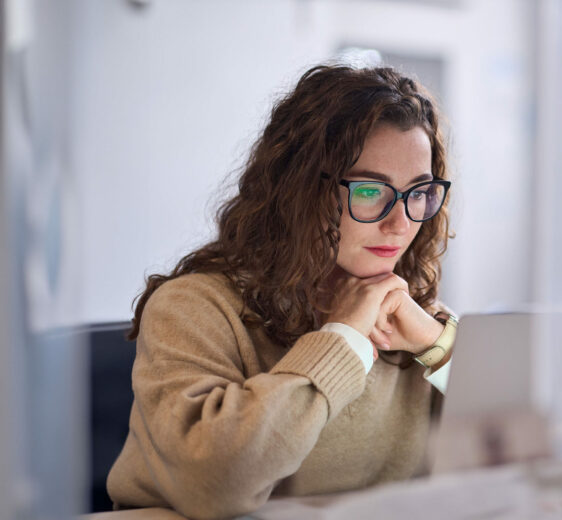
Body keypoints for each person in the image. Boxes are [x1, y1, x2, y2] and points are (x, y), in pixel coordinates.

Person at [106, 64, 457, 520]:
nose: (401, 222)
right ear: (300, 191)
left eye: (419, 192)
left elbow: (524, 452)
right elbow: (214, 486)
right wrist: (344, 341)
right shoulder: (192, 309)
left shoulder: (411, 317)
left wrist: (439, 348)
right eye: (371, 190)